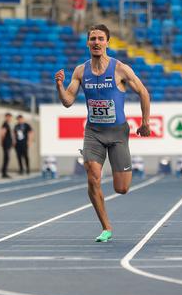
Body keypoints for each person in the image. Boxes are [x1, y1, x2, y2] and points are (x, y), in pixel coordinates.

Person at [55, 23, 151, 242]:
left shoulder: (120, 69)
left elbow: (144, 93)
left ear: (108, 42)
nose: (96, 42)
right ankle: (106, 227)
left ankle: (120, 172)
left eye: (100, 39)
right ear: (88, 43)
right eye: (93, 39)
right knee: (93, 176)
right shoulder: (81, 70)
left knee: (122, 188)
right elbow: (68, 101)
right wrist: (59, 86)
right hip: (93, 132)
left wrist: (145, 123)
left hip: (118, 133)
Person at [0, 112, 13, 178]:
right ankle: (4, 173)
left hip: (8, 143)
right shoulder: (5, 124)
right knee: (6, 158)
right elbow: (2, 133)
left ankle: (4, 172)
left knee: (7, 158)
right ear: (6, 117)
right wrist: (2, 142)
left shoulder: (7, 124)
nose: (10, 118)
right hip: (6, 144)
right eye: (9, 117)